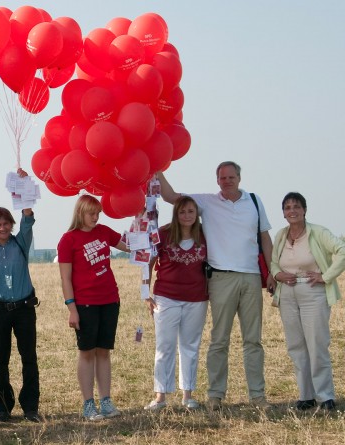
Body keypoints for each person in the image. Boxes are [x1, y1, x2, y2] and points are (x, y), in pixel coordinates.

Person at [157, 161, 274, 410]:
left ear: (239, 178)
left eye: (231, 177)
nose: (227, 181)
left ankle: (258, 396)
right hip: (220, 278)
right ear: (217, 180)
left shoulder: (254, 201)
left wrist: (272, 272)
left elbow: (264, 237)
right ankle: (215, 396)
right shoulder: (207, 202)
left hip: (251, 277)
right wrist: (156, 167)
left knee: (253, 340)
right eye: (222, 178)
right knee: (219, 340)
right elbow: (170, 196)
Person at [0, 170, 41, 423]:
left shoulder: (21, 244)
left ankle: (30, 407)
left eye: (5, 223)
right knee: (0, 361)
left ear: (11, 225)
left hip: (24, 308)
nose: (2, 227)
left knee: (29, 358)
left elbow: (28, 220)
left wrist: (23, 186)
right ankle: (2, 407)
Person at [270, 192, 345, 411]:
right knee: (296, 346)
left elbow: (342, 251)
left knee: (317, 344)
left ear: (304, 210)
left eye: (296, 206)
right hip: (288, 294)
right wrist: (277, 274)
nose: (291, 211)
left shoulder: (318, 232)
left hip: (313, 292)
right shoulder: (281, 236)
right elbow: (274, 262)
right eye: (287, 207)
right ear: (283, 213)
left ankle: (325, 396)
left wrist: (326, 276)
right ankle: (306, 396)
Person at [57, 195, 129, 421]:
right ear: (81, 213)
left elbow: (128, 246)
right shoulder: (68, 240)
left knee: (104, 351)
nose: (96, 217)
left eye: (98, 213)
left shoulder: (104, 232)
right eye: (91, 213)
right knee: (87, 352)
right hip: (85, 303)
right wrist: (72, 308)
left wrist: (144, 227)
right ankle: (88, 403)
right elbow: (65, 279)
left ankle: (106, 400)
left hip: (109, 300)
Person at [143, 196, 208, 411]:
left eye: (191, 212)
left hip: (196, 298)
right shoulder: (163, 234)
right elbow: (148, 261)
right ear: (176, 214)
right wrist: (145, 292)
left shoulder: (205, 235)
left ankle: (187, 394)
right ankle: (160, 395)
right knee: (165, 346)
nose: (187, 216)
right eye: (182, 212)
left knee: (190, 346)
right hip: (166, 297)